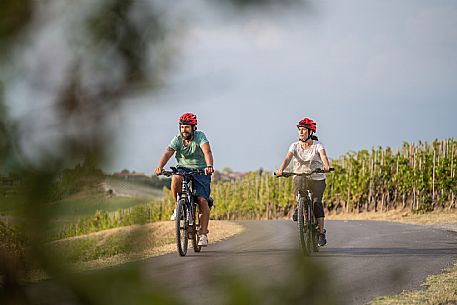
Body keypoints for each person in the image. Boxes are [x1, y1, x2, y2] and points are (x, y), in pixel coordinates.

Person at [154, 113, 214, 247]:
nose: (184, 130)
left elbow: (207, 152)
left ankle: (203, 234)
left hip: (201, 169)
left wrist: (209, 166)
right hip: (183, 168)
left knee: (202, 200)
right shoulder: (177, 139)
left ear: (194, 128)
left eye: (187, 127)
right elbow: (167, 152)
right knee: (176, 177)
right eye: (182, 127)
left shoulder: (200, 137)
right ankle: (178, 207)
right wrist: (160, 167)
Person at [275, 117, 331, 247]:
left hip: (317, 178)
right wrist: (281, 170)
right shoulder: (294, 146)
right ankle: (299, 208)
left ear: (310, 132)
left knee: (316, 203)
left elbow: (323, 156)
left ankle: (321, 232)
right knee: (299, 183)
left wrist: (326, 166)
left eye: (304, 130)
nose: (301, 132)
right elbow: (287, 158)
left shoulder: (318, 145)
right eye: (299, 130)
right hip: (301, 176)